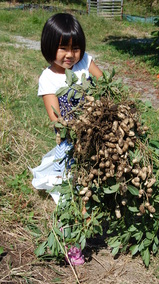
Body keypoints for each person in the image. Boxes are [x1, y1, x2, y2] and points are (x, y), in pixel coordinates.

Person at [30, 13, 102, 204]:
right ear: (49, 46)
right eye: (63, 48)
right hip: (71, 138)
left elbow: (104, 84)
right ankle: (70, 214)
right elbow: (56, 119)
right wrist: (77, 131)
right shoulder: (48, 78)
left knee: (99, 172)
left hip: (98, 129)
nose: (70, 55)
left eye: (75, 48)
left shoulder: (84, 61)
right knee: (72, 179)